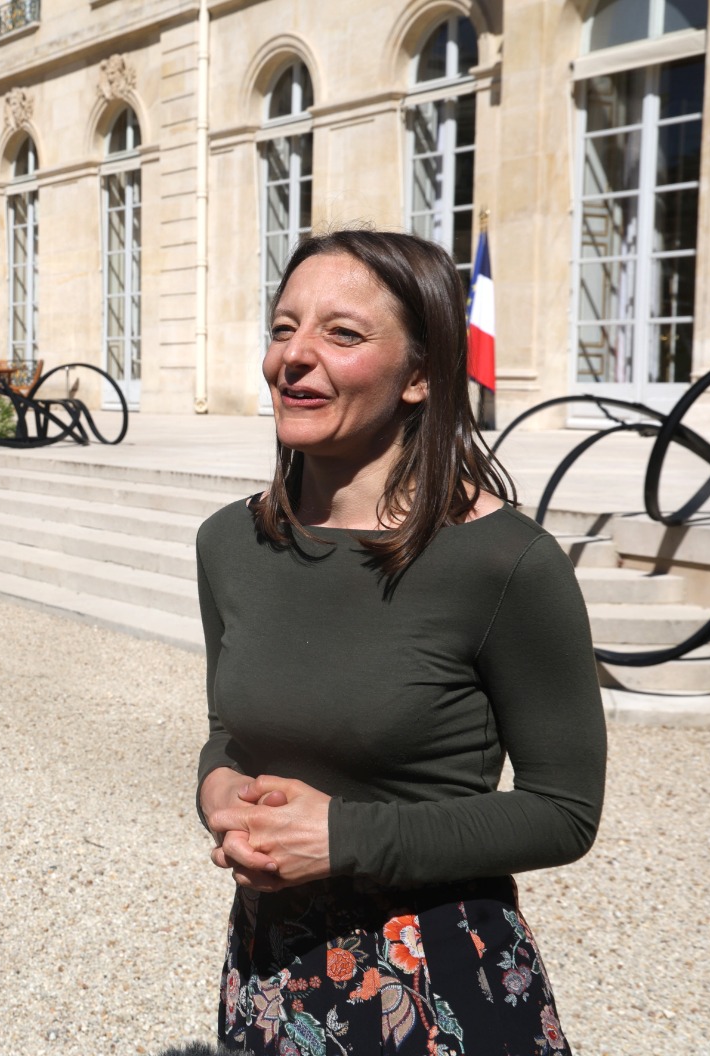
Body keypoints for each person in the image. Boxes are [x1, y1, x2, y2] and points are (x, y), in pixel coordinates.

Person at [195, 230, 605, 1054]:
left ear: (420, 376)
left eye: (341, 334)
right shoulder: (229, 543)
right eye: (283, 328)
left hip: (437, 989)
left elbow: (564, 813)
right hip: (268, 972)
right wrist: (217, 789)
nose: (295, 357)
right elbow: (230, 731)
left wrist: (345, 838)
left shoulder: (504, 561)